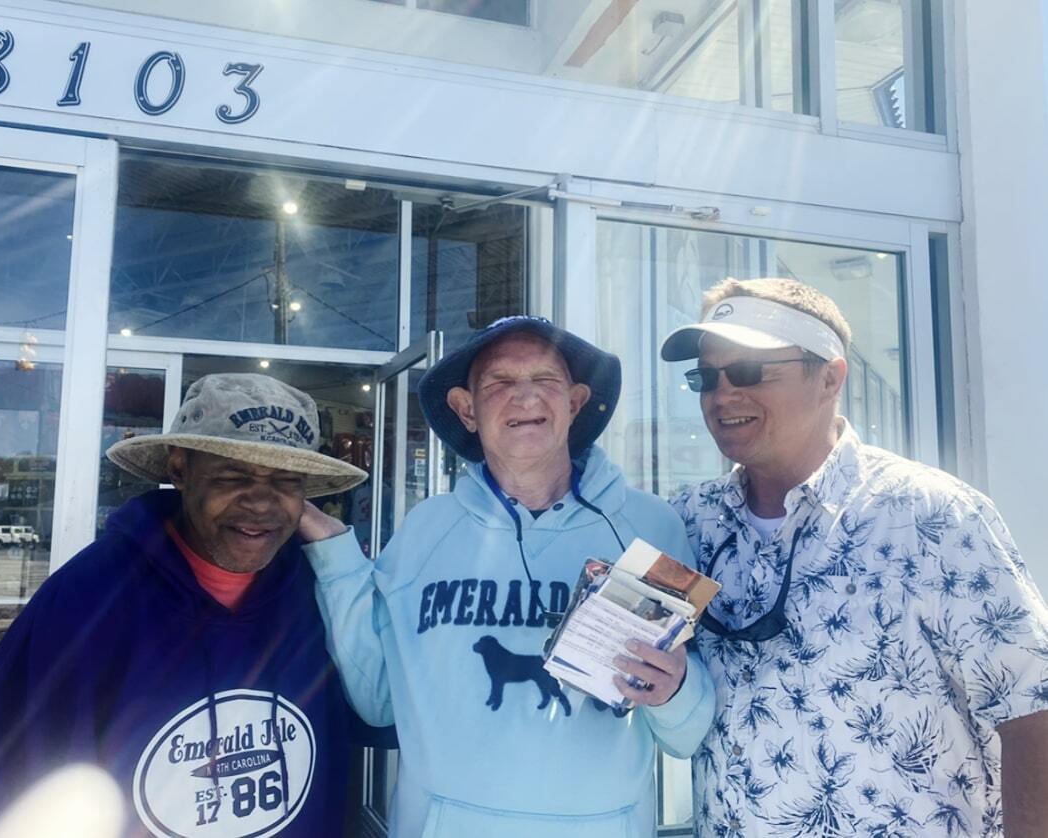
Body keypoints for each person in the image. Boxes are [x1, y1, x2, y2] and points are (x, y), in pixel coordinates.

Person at [298, 315, 715, 838]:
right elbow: (377, 698)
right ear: (466, 410)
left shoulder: (650, 528)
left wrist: (675, 690)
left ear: (576, 402)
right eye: (499, 383)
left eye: (546, 380)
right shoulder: (426, 529)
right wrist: (334, 550)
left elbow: (688, 733)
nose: (526, 398)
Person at [664, 278, 1048, 837]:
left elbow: (1033, 711)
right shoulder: (688, 521)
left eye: (748, 372)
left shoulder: (931, 515)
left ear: (830, 377)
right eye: (706, 378)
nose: (723, 396)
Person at [0, 374, 369, 838]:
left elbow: (387, 718)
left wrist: (341, 558)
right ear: (180, 470)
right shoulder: (85, 602)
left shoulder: (317, 595)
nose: (261, 503)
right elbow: (3, 793)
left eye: (286, 481)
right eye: (233, 476)